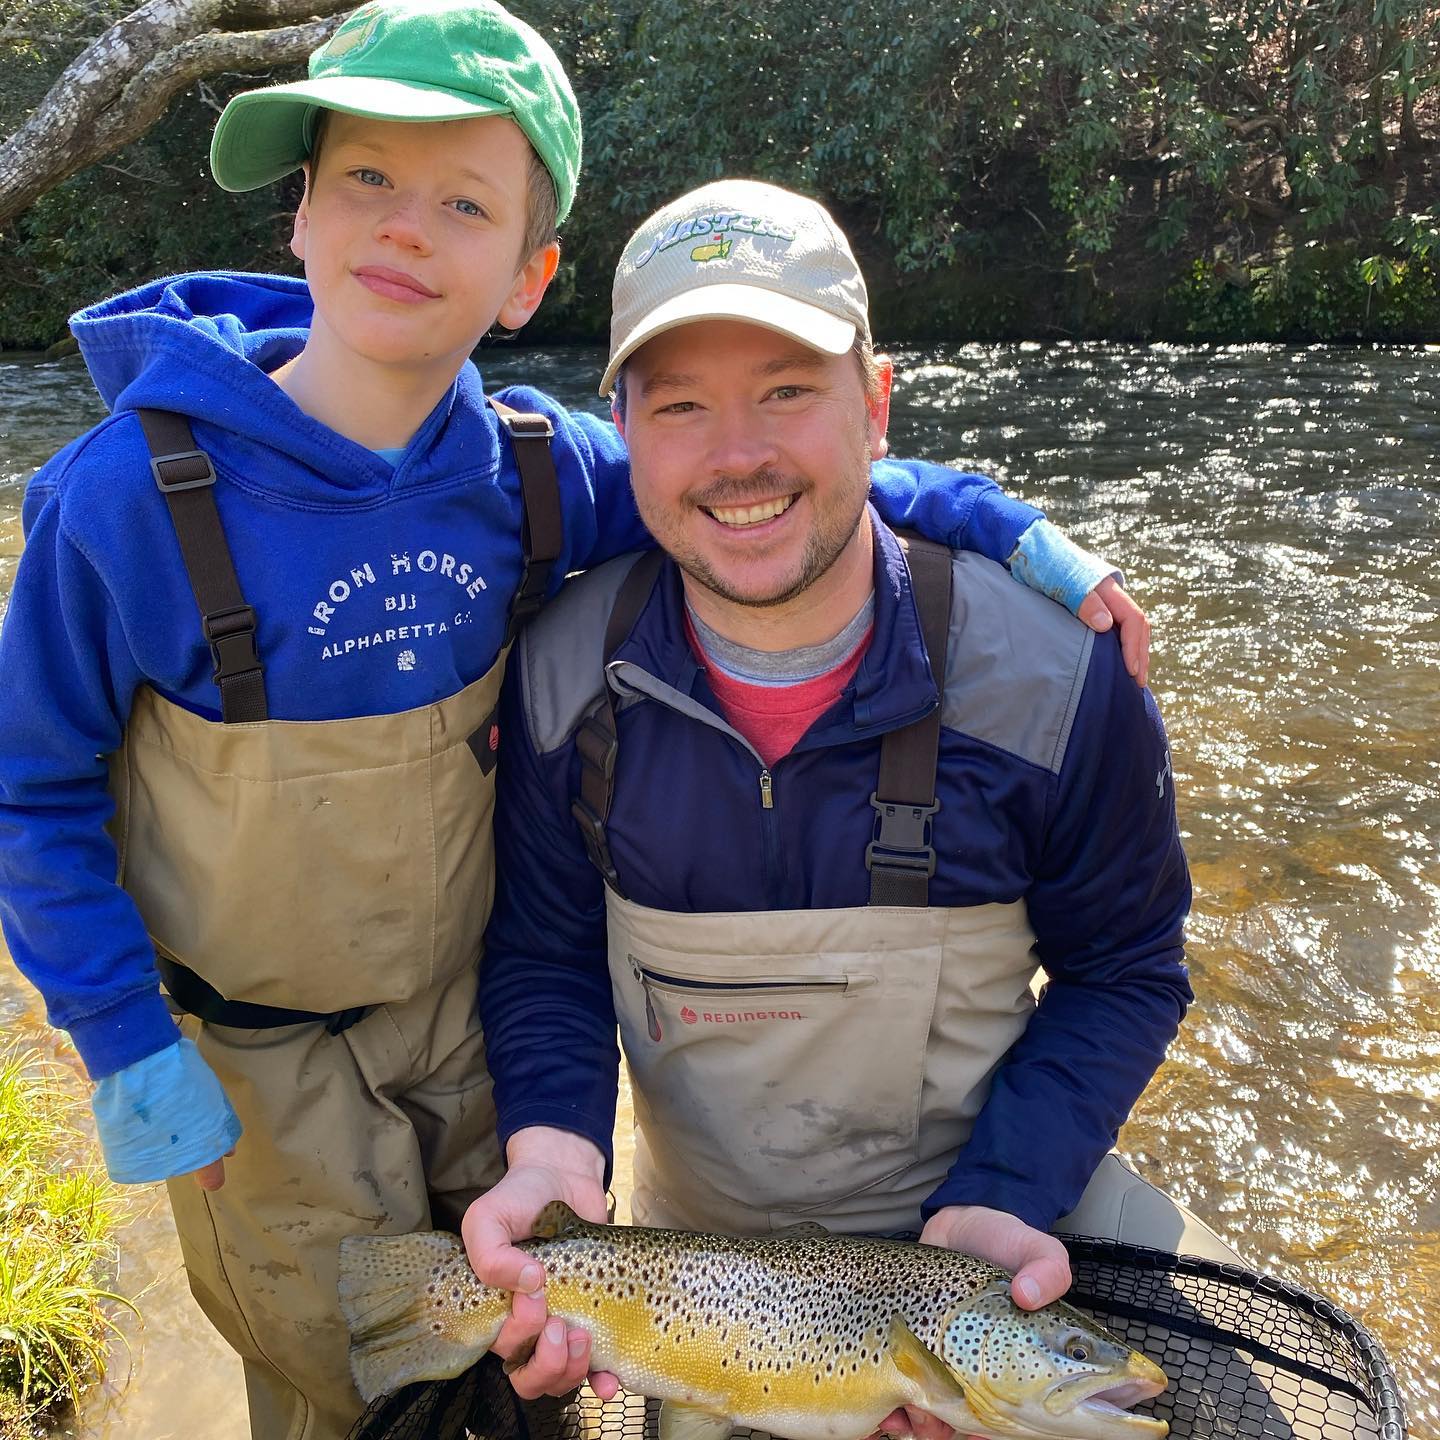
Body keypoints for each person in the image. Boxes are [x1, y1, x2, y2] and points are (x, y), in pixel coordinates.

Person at [0, 7, 1149, 1437]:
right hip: (251, 1060)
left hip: (470, 1030)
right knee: (347, 1399)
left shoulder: (548, 475)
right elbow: (29, 791)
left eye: (464, 203)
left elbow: (768, 481)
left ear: (527, 278)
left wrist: (1012, 533)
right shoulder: (116, 501)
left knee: (527, 1362)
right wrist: (122, 1042)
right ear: (295, 214)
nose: (405, 230)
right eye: (362, 181)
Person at [465, 177, 1244, 1430]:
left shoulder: (1060, 680)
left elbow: (1129, 970)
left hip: (1000, 1220)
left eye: (787, 391)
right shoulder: (558, 676)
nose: (738, 455)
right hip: (700, 1266)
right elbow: (547, 955)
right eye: (681, 406)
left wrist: (1002, 1201)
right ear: (623, 430)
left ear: (876, 408)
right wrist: (553, 1149)